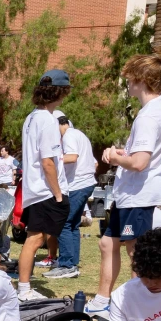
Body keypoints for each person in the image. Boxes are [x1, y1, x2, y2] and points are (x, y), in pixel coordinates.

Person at [88, 55, 161, 316]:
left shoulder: (149, 116)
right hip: (132, 195)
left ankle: (142, 307)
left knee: (136, 252)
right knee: (107, 244)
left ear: (141, 79)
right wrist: (122, 152)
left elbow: (139, 162)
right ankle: (103, 299)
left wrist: (115, 156)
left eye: (129, 77)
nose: (126, 81)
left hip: (140, 194)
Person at [16, 69, 71, 302]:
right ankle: (24, 289)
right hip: (44, 190)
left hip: (33, 188)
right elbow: (48, 161)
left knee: (34, 238)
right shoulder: (48, 121)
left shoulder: (31, 117)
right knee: (36, 239)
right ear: (61, 92)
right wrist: (58, 193)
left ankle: (24, 287)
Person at [42, 112, 98, 280]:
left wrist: (52, 159)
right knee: (72, 224)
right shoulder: (79, 134)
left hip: (78, 185)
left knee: (64, 223)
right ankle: (72, 262)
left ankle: (67, 264)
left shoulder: (68, 136)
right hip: (85, 183)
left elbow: (72, 157)